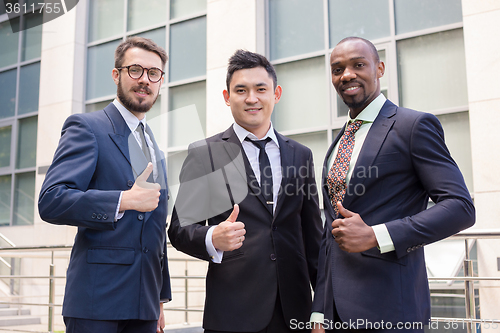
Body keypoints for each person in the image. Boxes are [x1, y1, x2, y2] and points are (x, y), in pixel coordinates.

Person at [310, 37, 475, 333]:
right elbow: (330, 233)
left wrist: (376, 235)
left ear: (380, 68)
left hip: (390, 310)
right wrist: (319, 313)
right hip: (334, 315)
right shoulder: (339, 140)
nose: (347, 74)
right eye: (337, 69)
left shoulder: (413, 126)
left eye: (358, 65)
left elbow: (460, 207)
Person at [168, 49, 323, 333]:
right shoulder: (205, 154)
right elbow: (179, 229)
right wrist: (212, 236)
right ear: (227, 97)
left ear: (276, 93)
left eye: (260, 89)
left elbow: (313, 238)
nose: (252, 98)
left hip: (295, 312)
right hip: (233, 313)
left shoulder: (301, 155)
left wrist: (322, 308)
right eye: (241, 90)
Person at [38, 37, 171, 333]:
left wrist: (159, 296)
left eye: (154, 73)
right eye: (135, 70)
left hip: (144, 305)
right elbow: (51, 200)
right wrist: (123, 200)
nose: (145, 80)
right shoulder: (87, 127)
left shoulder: (155, 148)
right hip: (96, 303)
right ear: (116, 75)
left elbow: (155, 229)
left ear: (161, 81)